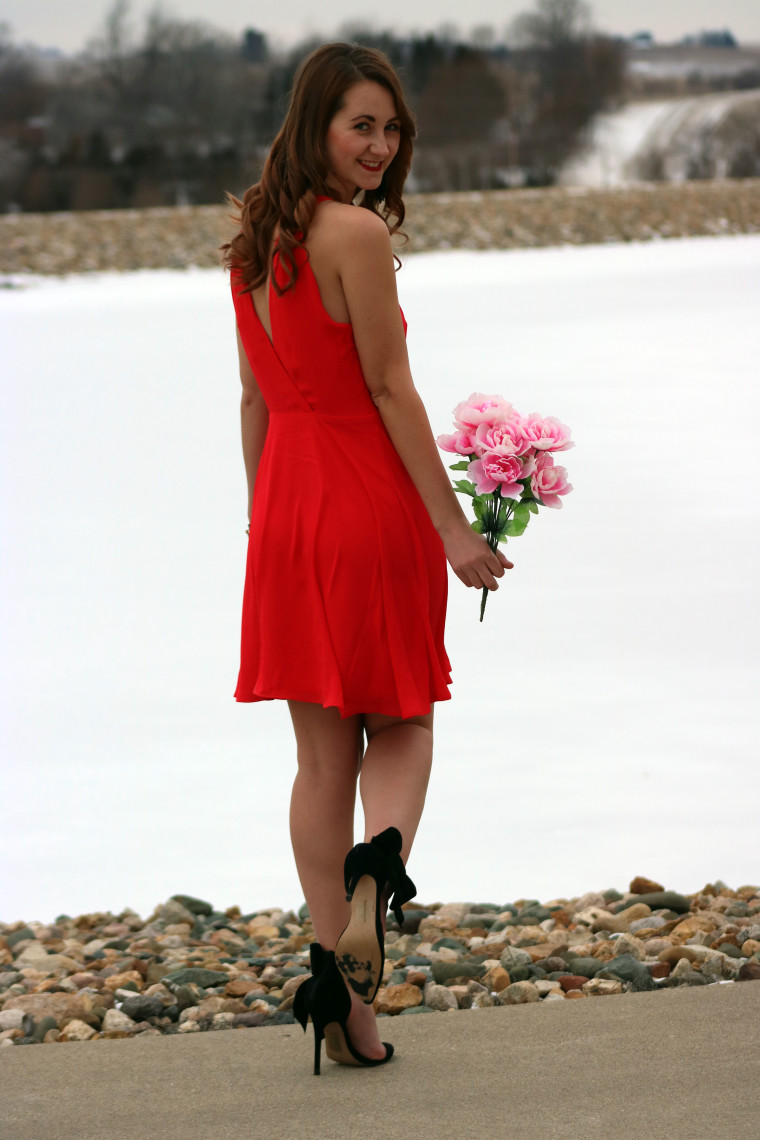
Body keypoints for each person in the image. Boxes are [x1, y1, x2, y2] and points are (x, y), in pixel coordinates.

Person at [222, 42, 511, 1074]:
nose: (382, 147)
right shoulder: (352, 234)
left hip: (288, 510)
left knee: (315, 760)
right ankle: (372, 887)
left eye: (391, 130)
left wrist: (269, 530)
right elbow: (391, 393)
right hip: (365, 502)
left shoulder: (254, 244)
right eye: (362, 127)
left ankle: (348, 1018)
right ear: (316, 127)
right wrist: (453, 530)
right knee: (402, 718)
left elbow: (254, 402)